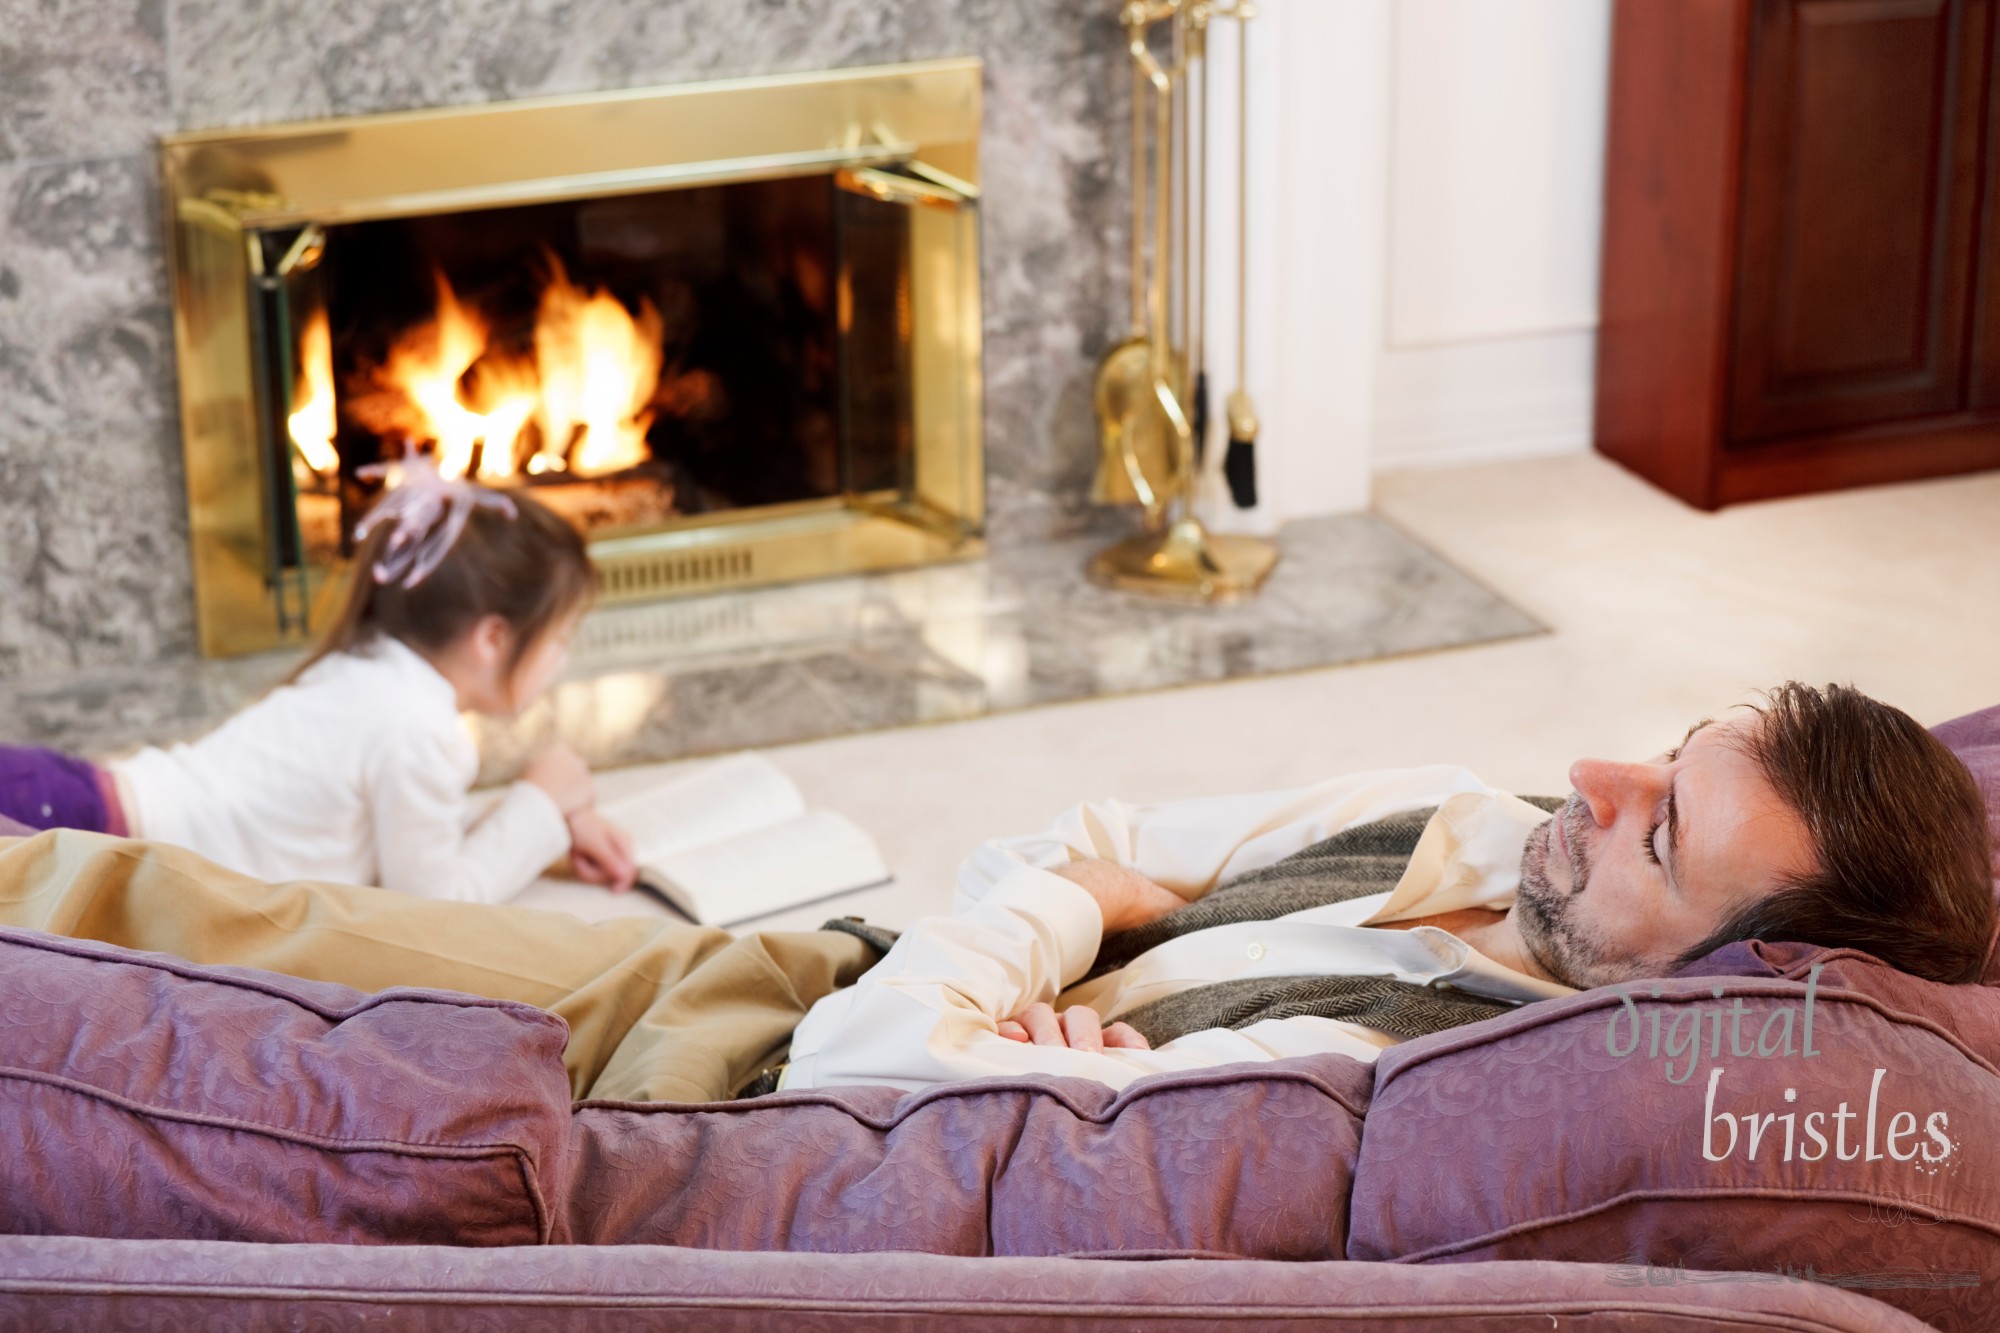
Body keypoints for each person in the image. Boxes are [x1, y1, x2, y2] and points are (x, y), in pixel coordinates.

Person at [0, 683, 1988, 1103]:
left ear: (1722, 984)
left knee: (208, 950)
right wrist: (1057, 915)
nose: (1594, 773)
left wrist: (1087, 914)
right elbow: (1050, 834)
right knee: (166, 894)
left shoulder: (1387, 1075)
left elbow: (870, 1082)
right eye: (1664, 750)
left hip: (721, 1086)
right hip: (771, 959)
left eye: (1654, 827)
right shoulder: (1453, 813)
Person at [0, 460, 638, 905]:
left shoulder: (370, 671)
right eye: (559, 638)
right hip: (75, 841)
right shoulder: (417, 730)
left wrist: (558, 812)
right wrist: (542, 799)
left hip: (70, 797)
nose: (562, 661)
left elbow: (413, 837)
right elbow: (440, 906)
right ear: (492, 638)